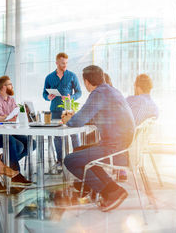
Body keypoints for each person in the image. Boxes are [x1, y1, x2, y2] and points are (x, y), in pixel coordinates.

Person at [61, 65, 135, 212]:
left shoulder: (98, 93)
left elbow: (77, 121)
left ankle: (109, 192)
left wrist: (68, 120)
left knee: (70, 160)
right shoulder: (112, 91)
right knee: (81, 153)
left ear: (87, 82)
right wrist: (77, 118)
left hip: (115, 149)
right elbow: (97, 116)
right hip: (125, 147)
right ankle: (113, 189)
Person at [43, 52, 82, 166]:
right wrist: (47, 97)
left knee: (74, 134)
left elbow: (79, 92)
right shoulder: (49, 77)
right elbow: (44, 94)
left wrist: (72, 97)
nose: (64, 65)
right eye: (62, 63)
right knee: (57, 136)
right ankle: (60, 160)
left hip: (68, 110)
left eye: (66, 63)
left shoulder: (72, 76)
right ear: (56, 63)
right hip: (55, 110)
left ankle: (78, 158)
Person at [0, 76, 36, 163]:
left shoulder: (12, 100)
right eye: (10, 84)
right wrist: (11, 118)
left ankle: (5, 162)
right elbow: (1, 118)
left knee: (32, 144)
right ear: (4, 87)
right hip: (0, 133)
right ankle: (5, 164)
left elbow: (15, 115)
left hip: (12, 132)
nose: (12, 86)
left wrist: (23, 113)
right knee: (19, 146)